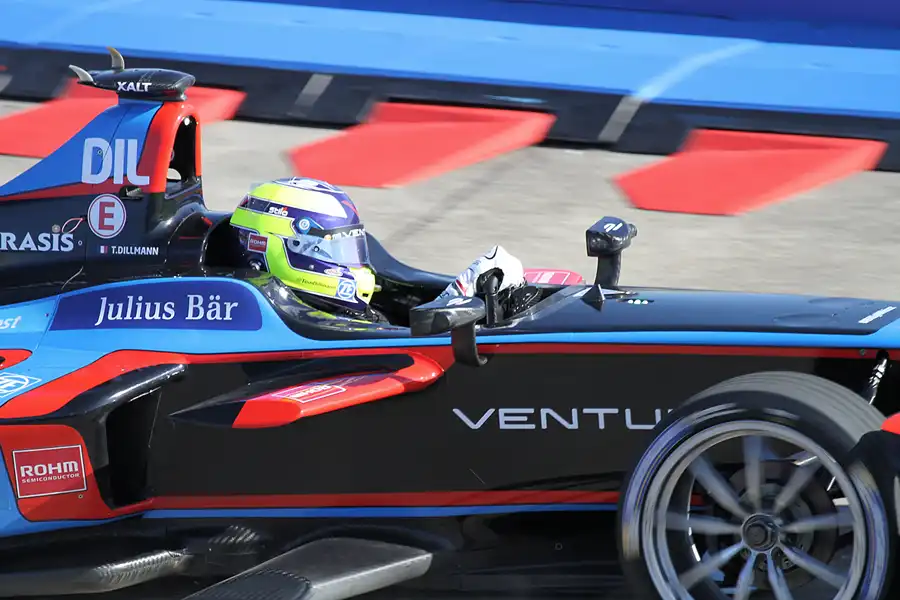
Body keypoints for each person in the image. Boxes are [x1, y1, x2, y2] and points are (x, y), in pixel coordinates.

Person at [228, 177, 526, 324]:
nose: (350, 262)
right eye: (333, 248)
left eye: (350, 245)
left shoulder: (347, 312)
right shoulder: (289, 322)